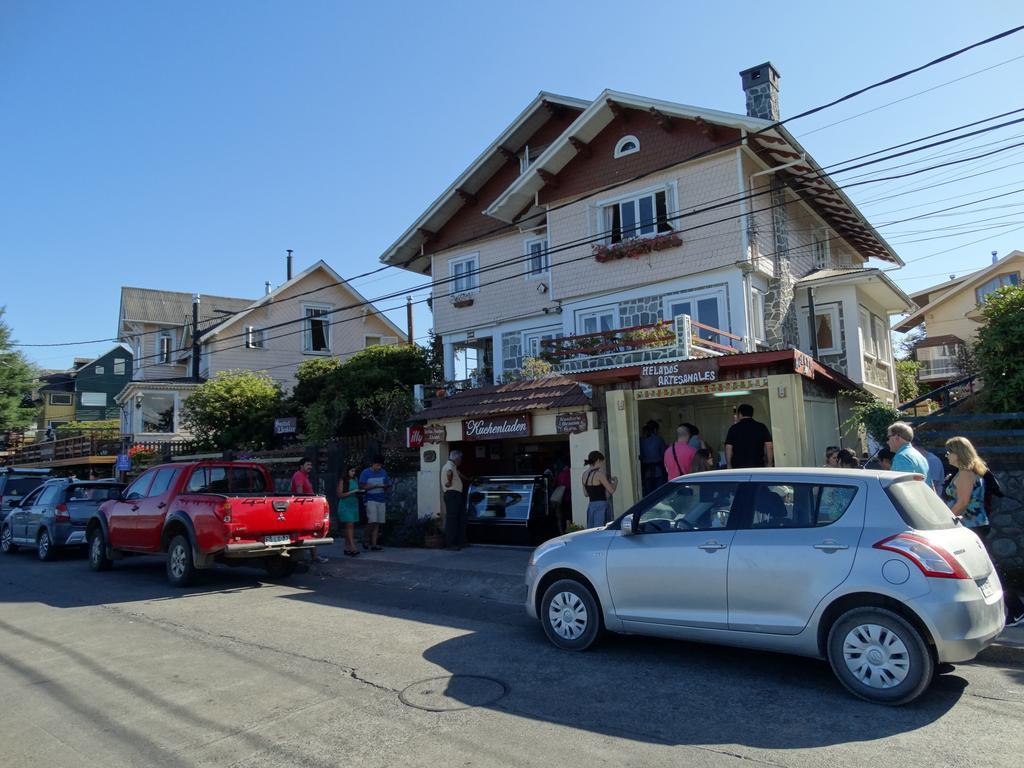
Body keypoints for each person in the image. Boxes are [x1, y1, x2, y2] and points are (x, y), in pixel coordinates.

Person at [943, 437, 989, 535]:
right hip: (973, 524)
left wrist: (945, 521)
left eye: (948, 453)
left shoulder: (965, 474)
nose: (946, 456)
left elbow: (963, 503)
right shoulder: (967, 472)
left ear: (957, 454)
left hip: (970, 525)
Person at [290, 459, 327, 563]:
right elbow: (299, 491)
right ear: (301, 466)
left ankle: (313, 556)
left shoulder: (305, 476)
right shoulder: (298, 475)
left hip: (306, 507)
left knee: (311, 532)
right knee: (304, 533)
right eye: (308, 464)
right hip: (302, 508)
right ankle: (304, 557)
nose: (310, 466)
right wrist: (303, 505)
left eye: (311, 464)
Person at [725, 403, 774, 469]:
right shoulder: (761, 427)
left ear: (740, 414)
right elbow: (769, 446)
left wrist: (729, 465)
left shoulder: (733, 429)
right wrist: (770, 464)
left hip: (738, 466)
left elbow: (728, 447)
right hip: (757, 465)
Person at [441, 449, 470, 549]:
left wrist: (469, 480)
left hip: (456, 494)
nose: (461, 460)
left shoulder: (454, 467)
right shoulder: (449, 466)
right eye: (460, 458)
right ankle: (450, 544)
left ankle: (460, 541)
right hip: (452, 494)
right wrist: (449, 482)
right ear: (456, 458)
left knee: (460, 518)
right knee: (452, 519)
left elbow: (459, 475)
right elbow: (449, 473)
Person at [359, 457, 389, 551]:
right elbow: (361, 486)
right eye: (377, 465)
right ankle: (365, 538)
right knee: (372, 520)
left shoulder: (383, 472)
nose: (379, 467)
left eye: (380, 465)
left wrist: (385, 487)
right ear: (373, 464)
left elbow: (387, 484)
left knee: (378, 522)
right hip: (370, 499)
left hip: (381, 499)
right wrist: (373, 486)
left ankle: (374, 544)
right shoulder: (365, 473)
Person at [582, 451, 616, 528]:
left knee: (592, 532)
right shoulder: (599, 474)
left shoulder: (584, 475)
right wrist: (615, 482)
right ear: (598, 460)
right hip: (602, 506)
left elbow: (586, 494)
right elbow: (611, 491)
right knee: (602, 530)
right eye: (602, 462)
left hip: (591, 506)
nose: (602, 465)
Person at [336, 467, 361, 557]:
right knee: (349, 524)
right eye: (351, 471)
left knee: (350, 526)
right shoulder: (343, 480)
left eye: (354, 471)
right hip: (345, 505)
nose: (353, 473)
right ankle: (353, 546)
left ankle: (347, 547)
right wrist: (352, 491)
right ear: (347, 471)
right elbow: (340, 494)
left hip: (353, 504)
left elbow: (357, 490)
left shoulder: (355, 480)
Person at [639, 421, 667, 496]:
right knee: (659, 493)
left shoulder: (641, 440)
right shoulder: (659, 439)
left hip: (645, 470)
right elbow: (664, 454)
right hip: (658, 470)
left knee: (648, 494)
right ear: (655, 429)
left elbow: (640, 455)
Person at [555, 458, 573, 532]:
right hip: (568, 496)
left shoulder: (560, 473)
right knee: (568, 516)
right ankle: (568, 531)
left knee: (560, 516)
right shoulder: (570, 473)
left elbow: (556, 483)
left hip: (559, 497)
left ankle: (561, 532)